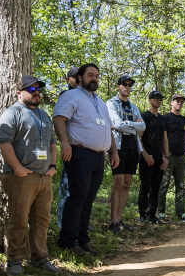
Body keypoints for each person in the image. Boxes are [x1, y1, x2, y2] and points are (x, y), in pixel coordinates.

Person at [53, 63, 120, 256]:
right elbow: (59, 119)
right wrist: (64, 143)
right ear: (80, 77)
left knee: (88, 199)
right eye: (90, 75)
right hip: (79, 154)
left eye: (97, 76)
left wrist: (113, 152)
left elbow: (107, 128)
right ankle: (68, 240)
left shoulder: (99, 102)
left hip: (98, 157)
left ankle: (82, 240)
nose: (94, 79)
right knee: (77, 196)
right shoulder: (71, 96)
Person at [0, 76, 59, 276]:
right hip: (22, 177)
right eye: (31, 88)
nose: (36, 92)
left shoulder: (44, 115)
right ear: (19, 93)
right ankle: (14, 261)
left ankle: (39, 259)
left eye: (38, 88)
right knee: (19, 219)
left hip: (44, 177)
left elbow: (52, 143)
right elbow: (4, 141)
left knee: (42, 220)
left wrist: (53, 166)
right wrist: (18, 168)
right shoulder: (12, 113)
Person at [106, 75, 145, 232]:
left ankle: (120, 220)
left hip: (133, 148)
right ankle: (113, 221)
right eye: (124, 84)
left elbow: (142, 127)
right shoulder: (111, 104)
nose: (127, 87)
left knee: (126, 184)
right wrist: (133, 125)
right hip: (118, 147)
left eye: (130, 85)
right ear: (118, 86)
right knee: (118, 183)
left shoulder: (133, 107)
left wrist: (128, 124)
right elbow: (116, 124)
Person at [137, 90, 169, 224]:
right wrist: (145, 154)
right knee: (145, 185)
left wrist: (166, 157)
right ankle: (142, 214)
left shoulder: (162, 119)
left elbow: (165, 140)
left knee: (155, 187)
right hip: (146, 157)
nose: (158, 100)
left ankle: (152, 214)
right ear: (150, 100)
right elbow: (138, 138)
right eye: (155, 98)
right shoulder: (144, 116)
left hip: (159, 158)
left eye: (160, 98)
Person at [158, 94, 185, 222]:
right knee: (164, 184)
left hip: (181, 156)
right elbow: (162, 138)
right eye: (177, 101)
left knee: (181, 185)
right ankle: (160, 211)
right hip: (168, 155)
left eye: (181, 102)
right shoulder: (165, 118)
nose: (179, 103)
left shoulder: (184, 120)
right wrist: (164, 154)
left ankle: (181, 212)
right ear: (171, 103)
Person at [56, 66, 79, 229]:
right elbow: (59, 120)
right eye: (74, 76)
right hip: (70, 148)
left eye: (80, 76)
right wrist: (64, 143)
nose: (78, 79)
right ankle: (62, 223)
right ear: (67, 79)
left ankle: (79, 222)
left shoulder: (87, 96)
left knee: (81, 189)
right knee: (67, 186)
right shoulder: (66, 95)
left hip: (84, 150)